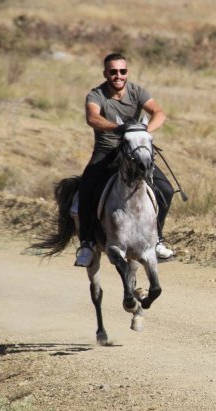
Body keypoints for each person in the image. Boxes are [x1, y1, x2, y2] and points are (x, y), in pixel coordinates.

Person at [75, 53, 174, 267]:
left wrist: (141, 132)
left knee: (165, 190)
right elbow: (92, 117)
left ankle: (157, 240)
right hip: (106, 151)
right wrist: (118, 128)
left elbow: (159, 112)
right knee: (86, 189)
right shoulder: (96, 95)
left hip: (134, 151)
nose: (118, 76)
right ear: (106, 74)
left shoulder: (137, 91)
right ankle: (87, 243)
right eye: (113, 72)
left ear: (127, 72)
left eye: (122, 71)